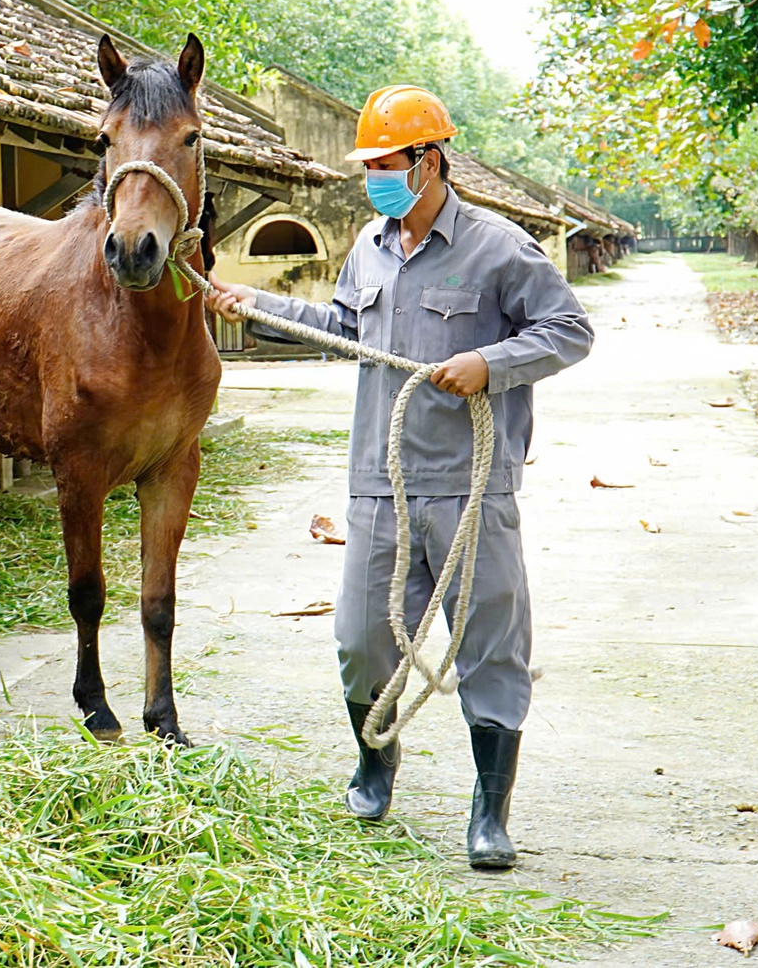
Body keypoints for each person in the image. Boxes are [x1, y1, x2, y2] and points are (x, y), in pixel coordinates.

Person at [205, 85, 593, 869]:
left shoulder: (498, 248)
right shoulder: (368, 248)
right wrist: (257, 303)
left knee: (490, 647)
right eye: (371, 165)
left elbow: (570, 330)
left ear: (430, 161)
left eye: (387, 164)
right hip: (380, 484)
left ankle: (490, 814)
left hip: (471, 487)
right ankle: (375, 760)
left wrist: (490, 363)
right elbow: (346, 329)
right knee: (360, 640)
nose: (375, 177)